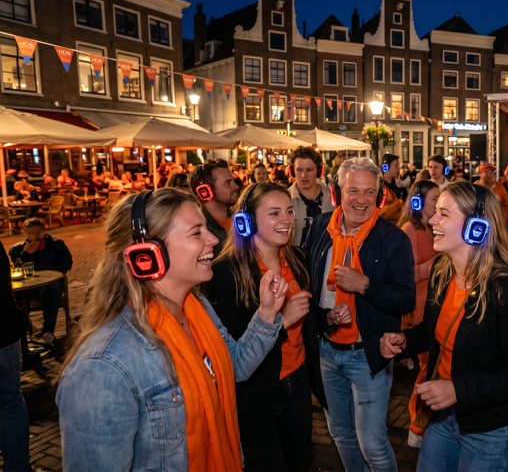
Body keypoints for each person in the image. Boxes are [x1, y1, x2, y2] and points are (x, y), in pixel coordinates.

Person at [56, 188, 296, 471]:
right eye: (196, 233)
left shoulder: (197, 308)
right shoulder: (102, 366)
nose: (212, 239)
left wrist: (267, 313)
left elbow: (234, 368)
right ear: (147, 254)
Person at [380, 182, 508, 472]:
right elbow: (434, 330)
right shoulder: (443, 272)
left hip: (489, 429)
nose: (431, 220)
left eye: (444, 214)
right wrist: (405, 341)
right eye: (435, 212)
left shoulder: (507, 291)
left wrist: (458, 390)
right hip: (444, 418)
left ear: (476, 227)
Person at [302, 157, 415, 472]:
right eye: (353, 191)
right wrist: (325, 316)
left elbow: (406, 300)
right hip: (326, 351)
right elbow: (309, 288)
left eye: (369, 192)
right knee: (340, 434)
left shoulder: (394, 239)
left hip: (367, 355)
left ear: (379, 196)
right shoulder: (319, 230)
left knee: (373, 443)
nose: (361, 200)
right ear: (337, 193)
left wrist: (366, 286)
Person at [207, 183, 326, 471]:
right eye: (274, 213)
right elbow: (233, 348)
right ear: (246, 221)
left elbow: (306, 318)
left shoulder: (298, 258)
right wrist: (282, 319)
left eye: (288, 211)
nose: (286, 220)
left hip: (297, 383)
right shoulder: (227, 272)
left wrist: (327, 319)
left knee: (298, 460)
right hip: (257, 391)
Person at [397, 179, 440, 448]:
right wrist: (436, 264)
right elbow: (406, 276)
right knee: (426, 370)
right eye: (435, 198)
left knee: (434, 370)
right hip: (420, 310)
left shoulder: (435, 227)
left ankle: (428, 425)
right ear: (418, 202)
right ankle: (416, 426)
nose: (439, 202)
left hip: (435, 306)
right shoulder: (408, 231)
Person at [9, 218, 73, 345]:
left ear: (43, 231)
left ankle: (48, 331)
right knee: (14, 296)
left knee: (49, 292)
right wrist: (25, 254)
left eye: (36, 232)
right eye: (29, 233)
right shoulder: (17, 248)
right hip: (29, 283)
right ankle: (22, 330)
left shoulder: (57, 244)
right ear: (24, 233)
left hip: (52, 281)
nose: (33, 236)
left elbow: (66, 263)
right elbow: (14, 268)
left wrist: (52, 274)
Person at [0, 239, 29, 472]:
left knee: (10, 402)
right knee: (10, 402)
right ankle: (18, 467)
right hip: (4, 332)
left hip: (5, 333)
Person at [188, 159, 240, 256]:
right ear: (205, 190)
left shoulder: (240, 219)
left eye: (233, 181)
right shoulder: (197, 233)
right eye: (228, 182)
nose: (236, 186)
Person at [288, 146, 336, 248]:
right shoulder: (285, 199)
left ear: (319, 171)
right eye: (299, 170)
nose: (304, 175)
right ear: (292, 171)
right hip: (295, 261)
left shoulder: (334, 198)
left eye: (309, 170)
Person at [379, 153, 404, 225]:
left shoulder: (394, 186)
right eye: (396, 165)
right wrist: (399, 204)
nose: (399, 168)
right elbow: (381, 214)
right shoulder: (379, 189)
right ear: (385, 167)